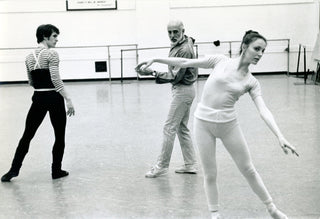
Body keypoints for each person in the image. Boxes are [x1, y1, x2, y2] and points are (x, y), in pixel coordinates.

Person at [136, 30, 298, 218]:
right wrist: (156, 59)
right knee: (210, 174)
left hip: (229, 125)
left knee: (248, 169)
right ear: (244, 46)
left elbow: (264, 110)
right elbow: (185, 63)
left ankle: (272, 209)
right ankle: (215, 215)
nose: (260, 54)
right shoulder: (220, 61)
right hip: (203, 123)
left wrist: (280, 136)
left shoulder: (251, 82)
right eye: (257, 49)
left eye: (263, 50)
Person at [1, 24, 75, 182]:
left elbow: (31, 82)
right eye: (54, 36)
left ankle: (13, 170)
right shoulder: (52, 54)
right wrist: (68, 99)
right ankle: (56, 170)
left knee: (27, 135)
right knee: (59, 135)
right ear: (45, 36)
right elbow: (56, 80)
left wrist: (41, 87)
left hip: (38, 98)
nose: (57, 39)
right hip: (54, 99)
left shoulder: (28, 57)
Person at [135, 19, 198, 178]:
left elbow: (175, 76)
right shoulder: (182, 43)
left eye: (175, 31)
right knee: (181, 128)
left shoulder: (184, 49)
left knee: (169, 127)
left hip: (183, 91)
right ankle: (190, 164)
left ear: (183, 30)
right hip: (185, 90)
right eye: (169, 32)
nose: (172, 35)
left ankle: (161, 166)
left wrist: (152, 73)